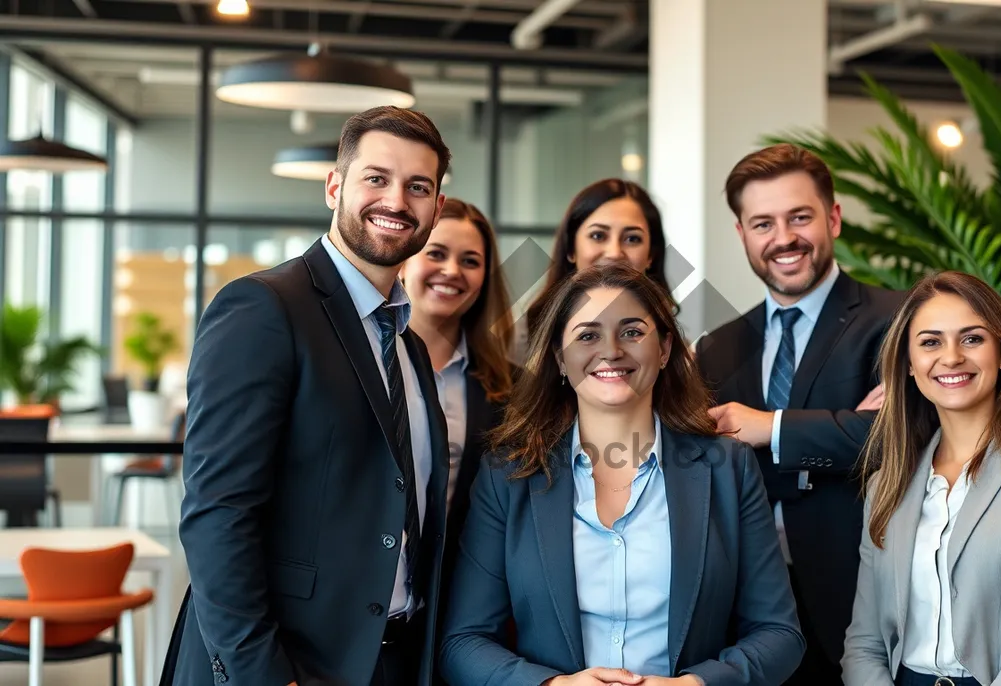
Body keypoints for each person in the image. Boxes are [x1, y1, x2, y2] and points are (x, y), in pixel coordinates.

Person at [164, 106, 453, 686]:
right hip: (284, 664)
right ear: (334, 186)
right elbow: (217, 514)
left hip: (391, 659)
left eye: (417, 187)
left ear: (436, 208)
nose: (396, 201)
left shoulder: (409, 347)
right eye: (376, 178)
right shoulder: (264, 308)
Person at [439, 262, 805, 686]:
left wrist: (697, 684)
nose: (611, 351)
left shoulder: (729, 468)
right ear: (560, 357)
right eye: (587, 335)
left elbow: (779, 634)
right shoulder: (508, 476)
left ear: (665, 349)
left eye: (632, 332)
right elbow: (464, 642)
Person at [694, 143, 904, 684]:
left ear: (833, 218)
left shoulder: (897, 321)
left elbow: (901, 439)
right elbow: (705, 463)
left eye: (800, 217)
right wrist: (843, 433)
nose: (783, 238)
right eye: (762, 223)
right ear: (741, 234)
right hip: (748, 603)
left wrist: (770, 429)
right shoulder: (718, 347)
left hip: (860, 595)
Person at [841, 270, 1001, 686]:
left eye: (972, 338)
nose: (950, 357)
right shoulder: (886, 485)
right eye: (930, 342)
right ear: (909, 364)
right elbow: (864, 642)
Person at [398, 197, 518, 580]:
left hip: (454, 603)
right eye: (436, 253)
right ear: (404, 263)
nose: (452, 271)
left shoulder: (513, 389)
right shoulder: (360, 360)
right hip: (352, 600)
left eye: (470, 261)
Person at [516, 178, 673, 361]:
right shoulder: (521, 344)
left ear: (651, 255)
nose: (614, 253)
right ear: (570, 249)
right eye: (598, 236)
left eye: (632, 239)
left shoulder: (675, 347)